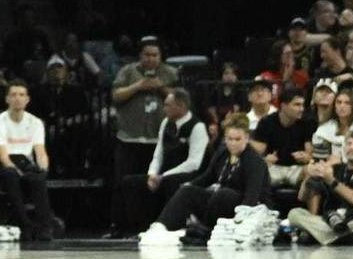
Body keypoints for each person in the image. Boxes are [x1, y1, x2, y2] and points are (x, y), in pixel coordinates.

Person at [145, 112, 269, 243]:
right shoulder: (222, 153)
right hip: (218, 202)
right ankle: (162, 226)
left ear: (246, 138)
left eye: (237, 139)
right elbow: (208, 177)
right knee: (187, 191)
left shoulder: (255, 162)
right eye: (229, 139)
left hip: (244, 204)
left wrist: (242, 219)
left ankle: (206, 228)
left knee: (224, 194)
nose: (232, 143)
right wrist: (189, 185)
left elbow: (252, 194)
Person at [106, 35, 178, 237]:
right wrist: (138, 86)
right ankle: (119, 227)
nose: (151, 59)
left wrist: (160, 87)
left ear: (161, 56)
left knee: (157, 183)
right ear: (140, 55)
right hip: (129, 137)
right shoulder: (127, 72)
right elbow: (116, 96)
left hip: (159, 139)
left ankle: (161, 224)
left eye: (155, 55)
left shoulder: (170, 73)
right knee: (123, 183)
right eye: (147, 55)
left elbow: (180, 99)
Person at [114, 88, 208, 234]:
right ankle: (134, 229)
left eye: (168, 105)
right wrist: (152, 174)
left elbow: (193, 163)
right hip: (162, 174)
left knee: (171, 183)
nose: (164, 109)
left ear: (181, 106)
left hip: (189, 174)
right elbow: (158, 154)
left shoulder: (197, 127)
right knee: (130, 182)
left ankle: (171, 227)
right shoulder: (165, 123)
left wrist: (163, 176)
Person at [289, 129, 353, 245]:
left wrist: (332, 181)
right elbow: (302, 197)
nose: (352, 147)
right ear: (344, 148)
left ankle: (323, 237)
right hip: (331, 222)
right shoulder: (334, 169)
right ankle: (346, 238)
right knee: (295, 213)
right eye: (349, 144)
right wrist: (309, 177)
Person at [0, 80, 56, 241]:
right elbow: (3, 157)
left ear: (27, 99)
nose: (17, 98)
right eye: (13, 95)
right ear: (7, 99)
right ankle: (25, 224)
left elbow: (40, 152)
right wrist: (20, 173)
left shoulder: (35, 122)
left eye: (21, 95)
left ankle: (45, 227)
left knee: (38, 179)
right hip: (3, 166)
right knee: (11, 175)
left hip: (25, 163)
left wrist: (43, 169)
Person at [250, 90, 313, 189]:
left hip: (296, 168)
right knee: (257, 170)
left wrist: (307, 157)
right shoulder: (267, 122)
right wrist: (264, 160)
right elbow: (257, 152)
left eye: (302, 105)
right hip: (273, 168)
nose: (301, 109)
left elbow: (309, 153)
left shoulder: (306, 122)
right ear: (283, 106)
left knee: (312, 171)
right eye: (297, 105)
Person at [312, 89, 353, 162]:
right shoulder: (326, 128)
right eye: (339, 102)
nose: (342, 106)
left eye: (347, 103)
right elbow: (319, 155)